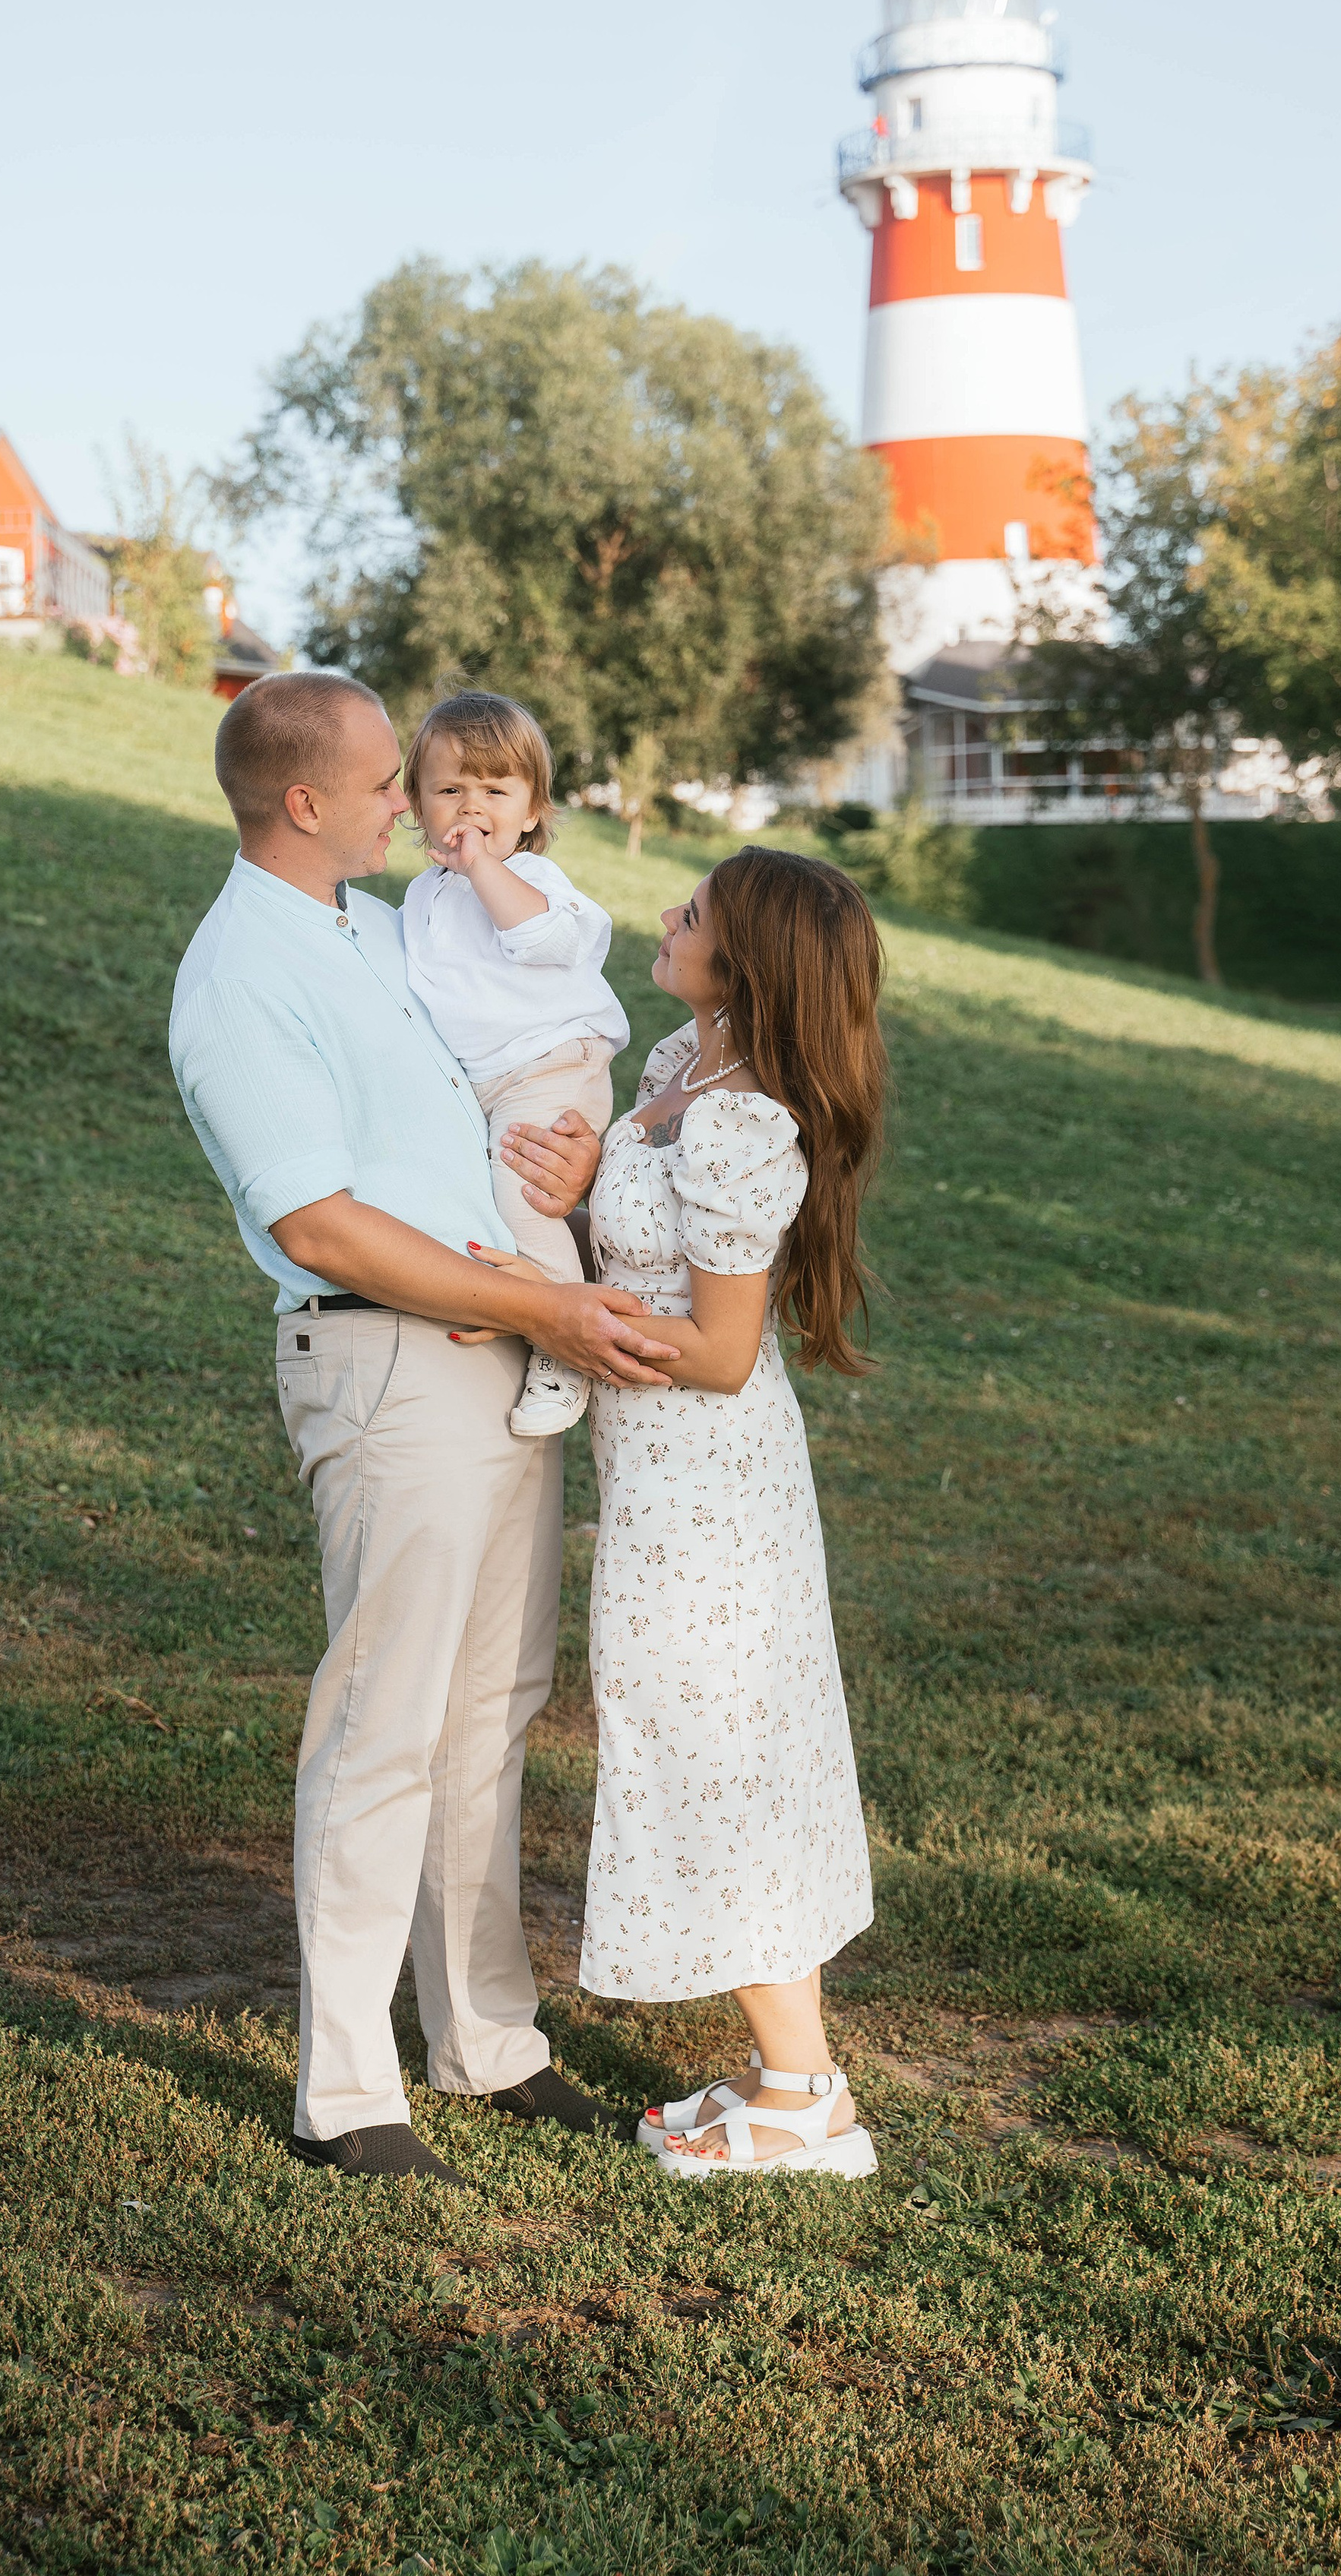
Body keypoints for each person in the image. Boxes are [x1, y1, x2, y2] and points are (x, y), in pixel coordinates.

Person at [167, 670, 679, 2187]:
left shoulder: (385, 929)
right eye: (389, 780)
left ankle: (487, 2041)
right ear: (304, 802)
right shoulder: (238, 975)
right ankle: (343, 2095)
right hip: (389, 1365)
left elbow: (507, 1066)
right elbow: (318, 1224)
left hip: (499, 1344)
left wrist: (572, 1161)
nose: (414, 799)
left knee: (489, 1707)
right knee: (385, 1718)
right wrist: (527, 1300)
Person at [498, 847, 885, 2181]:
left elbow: (720, 1352)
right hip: (667, 1478)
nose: (670, 916)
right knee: (724, 1750)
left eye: (698, 914)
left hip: (710, 1491)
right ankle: (796, 2080)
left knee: (717, 1757)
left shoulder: (741, 1123)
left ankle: (804, 2104)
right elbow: (648, 1251)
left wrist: (559, 1316)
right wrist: (576, 1212)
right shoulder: (681, 1069)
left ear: (749, 964)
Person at [400, 690, 629, 1441]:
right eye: (449, 789)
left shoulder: (534, 881)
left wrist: (480, 867)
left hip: (551, 1063)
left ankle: (563, 1340)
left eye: (495, 791)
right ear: (415, 804)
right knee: (487, 1197)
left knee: (525, 1196)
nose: (471, 806)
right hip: (487, 1080)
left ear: (532, 812)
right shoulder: (421, 896)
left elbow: (545, 939)